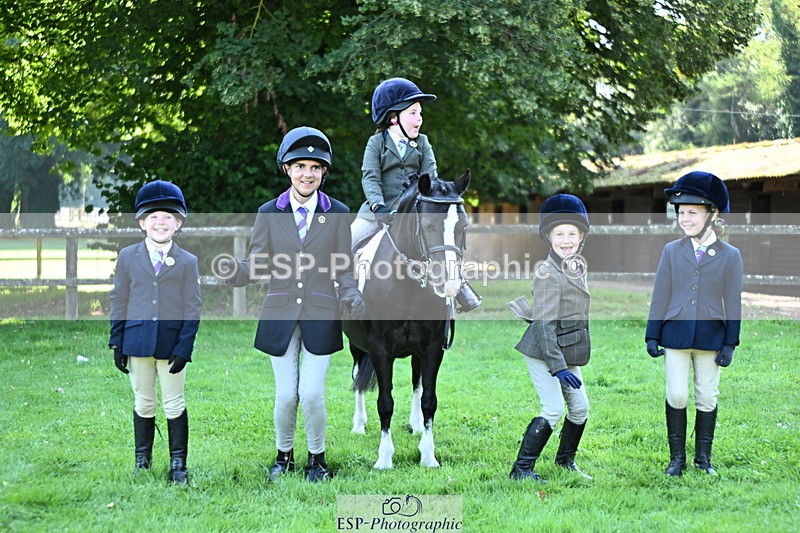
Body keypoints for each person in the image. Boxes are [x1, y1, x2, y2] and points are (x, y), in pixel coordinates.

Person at [227, 126, 365, 482]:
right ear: (287, 169)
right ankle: (284, 455)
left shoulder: (338, 212)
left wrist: (351, 293)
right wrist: (236, 272)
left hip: (321, 312)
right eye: (300, 166)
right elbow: (258, 261)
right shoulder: (269, 211)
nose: (308, 173)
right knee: (287, 394)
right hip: (280, 311)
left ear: (324, 172)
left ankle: (317, 459)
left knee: (313, 393)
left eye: (316, 167)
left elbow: (343, 264)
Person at [351, 77, 481, 313]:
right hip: (378, 210)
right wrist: (377, 206)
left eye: (420, 113)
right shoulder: (376, 143)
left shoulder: (422, 142)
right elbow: (370, 177)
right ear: (393, 118)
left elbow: (430, 176)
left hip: (415, 213)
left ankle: (458, 287)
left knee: (443, 244)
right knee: (350, 239)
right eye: (413, 113)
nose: (419, 119)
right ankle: (344, 295)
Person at [646, 171, 743, 477]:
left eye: (691, 213)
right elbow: (660, 293)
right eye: (680, 213)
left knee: (706, 395)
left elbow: (734, 302)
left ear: (711, 214)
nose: (684, 219)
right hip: (675, 334)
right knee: (677, 395)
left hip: (710, 337)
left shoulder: (730, 256)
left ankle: (703, 458)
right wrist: (652, 334)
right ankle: (677, 459)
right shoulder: (671, 251)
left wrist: (730, 342)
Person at [109, 180, 201, 484]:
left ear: (178, 223)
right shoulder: (127, 257)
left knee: (174, 402)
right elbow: (119, 299)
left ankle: (178, 465)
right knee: (144, 401)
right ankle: (142, 460)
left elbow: (192, 307)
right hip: (137, 342)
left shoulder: (188, 261)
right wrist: (117, 341)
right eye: (153, 217)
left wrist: (184, 347)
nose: (160, 222)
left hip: (171, 344)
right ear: (141, 222)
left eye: (167, 217)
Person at [507, 194, 593, 482]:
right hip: (542, 351)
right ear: (548, 237)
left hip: (563, 350)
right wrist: (557, 368)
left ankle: (565, 461)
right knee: (554, 408)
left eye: (572, 233)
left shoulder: (575, 265)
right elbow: (544, 325)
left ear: (581, 237)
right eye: (559, 234)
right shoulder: (547, 273)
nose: (566, 240)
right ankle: (521, 470)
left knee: (580, 408)